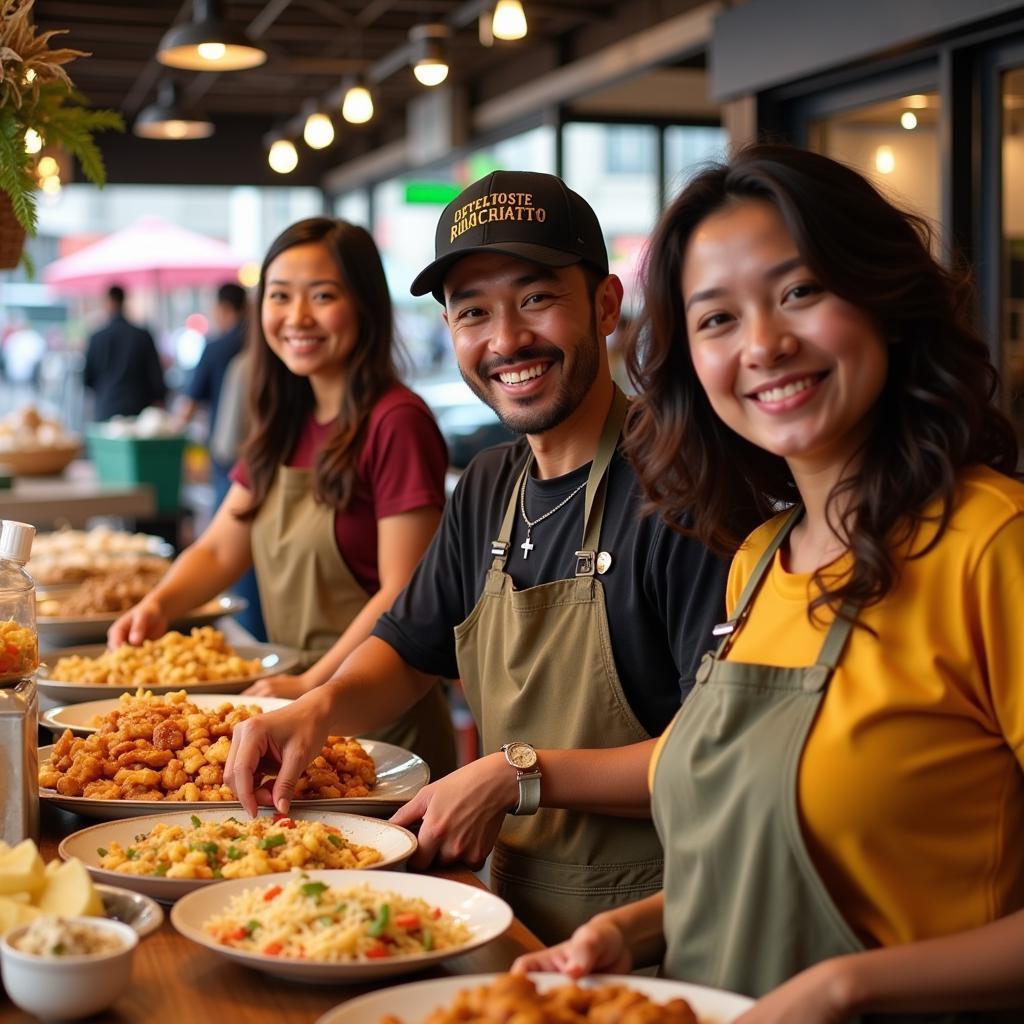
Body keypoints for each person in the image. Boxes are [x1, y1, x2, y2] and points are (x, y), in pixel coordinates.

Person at [514, 145, 1024, 1021]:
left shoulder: (992, 545)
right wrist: (630, 933)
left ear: (883, 300)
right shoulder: (757, 562)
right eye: (717, 319)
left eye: (800, 291)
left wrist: (841, 988)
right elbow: (775, 868)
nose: (764, 345)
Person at [224, 170, 730, 944]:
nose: (505, 341)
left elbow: (719, 755)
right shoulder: (492, 481)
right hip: (500, 910)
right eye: (473, 312)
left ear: (604, 304)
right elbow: (407, 647)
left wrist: (518, 773)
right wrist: (313, 711)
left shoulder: (682, 487)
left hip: (652, 929)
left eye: (535, 299)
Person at [109, 217, 457, 779]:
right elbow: (223, 547)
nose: (297, 318)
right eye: (279, 296)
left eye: (322, 296)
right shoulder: (283, 421)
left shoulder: (397, 421)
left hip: (383, 730)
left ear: (365, 305)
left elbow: (403, 591)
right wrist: (157, 605)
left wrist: (314, 680)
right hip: (295, 713)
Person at [176, 282, 249, 509]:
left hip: (227, 440)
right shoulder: (260, 345)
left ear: (223, 307)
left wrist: (174, 428)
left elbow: (191, 401)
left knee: (226, 506)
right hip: (261, 439)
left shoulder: (216, 347)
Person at [82, 284, 166, 420]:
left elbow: (87, 379)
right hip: (138, 411)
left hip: (106, 408)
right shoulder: (142, 336)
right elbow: (156, 378)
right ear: (123, 301)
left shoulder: (97, 338)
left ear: (108, 302)